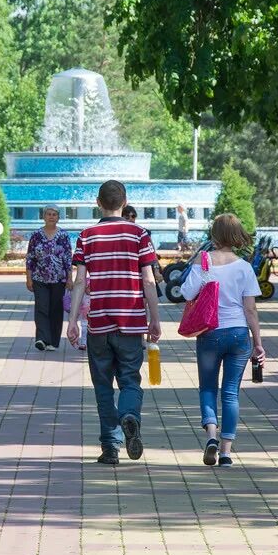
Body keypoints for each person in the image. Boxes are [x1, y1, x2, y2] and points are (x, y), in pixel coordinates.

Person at [67, 180, 162, 465]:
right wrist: (154, 319)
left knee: (102, 386)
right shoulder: (139, 235)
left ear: (98, 202)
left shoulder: (87, 235)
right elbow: (148, 279)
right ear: (125, 201)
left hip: (99, 324)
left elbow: (80, 281)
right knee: (130, 379)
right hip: (132, 322)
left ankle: (110, 448)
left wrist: (73, 322)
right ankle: (129, 414)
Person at [179, 213, 265, 467]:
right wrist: (258, 343)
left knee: (207, 387)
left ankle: (211, 437)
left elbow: (186, 293)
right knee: (231, 393)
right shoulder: (244, 267)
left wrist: (200, 272)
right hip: (239, 334)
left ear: (214, 234)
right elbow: (250, 309)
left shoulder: (204, 261)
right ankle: (226, 453)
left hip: (210, 332)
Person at [25, 206, 72, 351]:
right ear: (44, 216)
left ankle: (53, 341)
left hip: (59, 279)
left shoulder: (63, 235)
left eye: (54, 214)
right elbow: (30, 258)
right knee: (41, 308)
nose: (51, 217)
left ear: (58, 217)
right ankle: (41, 339)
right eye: (49, 214)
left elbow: (68, 258)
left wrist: (70, 278)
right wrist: (29, 278)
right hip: (40, 278)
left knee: (56, 310)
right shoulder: (36, 235)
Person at [122, 204, 164, 286]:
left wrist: (156, 271)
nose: (130, 219)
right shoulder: (117, 234)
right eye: (127, 217)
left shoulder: (143, 233)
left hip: (142, 273)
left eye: (133, 216)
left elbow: (152, 254)